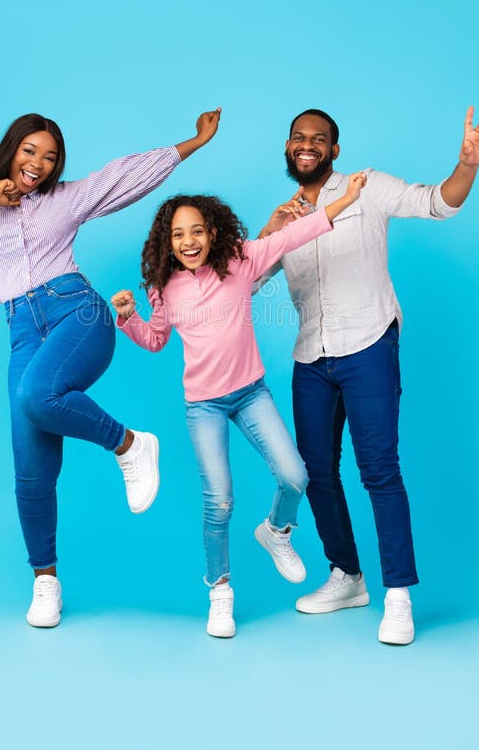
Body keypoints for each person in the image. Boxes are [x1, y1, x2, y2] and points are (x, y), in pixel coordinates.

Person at [0, 107, 221, 628]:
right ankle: (46, 582)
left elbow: (126, 175)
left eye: (49, 157)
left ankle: (128, 443)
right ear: (11, 150)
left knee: (36, 395)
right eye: (29, 151)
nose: (38, 163)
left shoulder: (66, 198)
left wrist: (194, 143)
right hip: (22, 329)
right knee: (30, 469)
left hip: (76, 311)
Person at [258, 106, 479, 645]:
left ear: (334, 149)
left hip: (369, 342)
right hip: (310, 357)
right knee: (314, 471)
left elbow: (438, 202)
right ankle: (346, 576)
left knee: (379, 470)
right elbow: (245, 279)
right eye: (298, 138)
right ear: (287, 147)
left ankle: (398, 596)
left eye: (318, 139)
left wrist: (467, 164)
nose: (306, 145)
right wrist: (272, 229)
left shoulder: (368, 186)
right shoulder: (287, 214)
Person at [110, 172, 367, 638]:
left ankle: (277, 530)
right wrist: (128, 318)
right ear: (167, 242)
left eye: (197, 231)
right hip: (203, 406)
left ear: (213, 233)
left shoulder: (239, 260)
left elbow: (293, 234)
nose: (189, 241)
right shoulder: (162, 286)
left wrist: (344, 200)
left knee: (296, 475)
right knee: (220, 501)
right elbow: (155, 340)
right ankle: (221, 591)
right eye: (178, 234)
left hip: (251, 393)